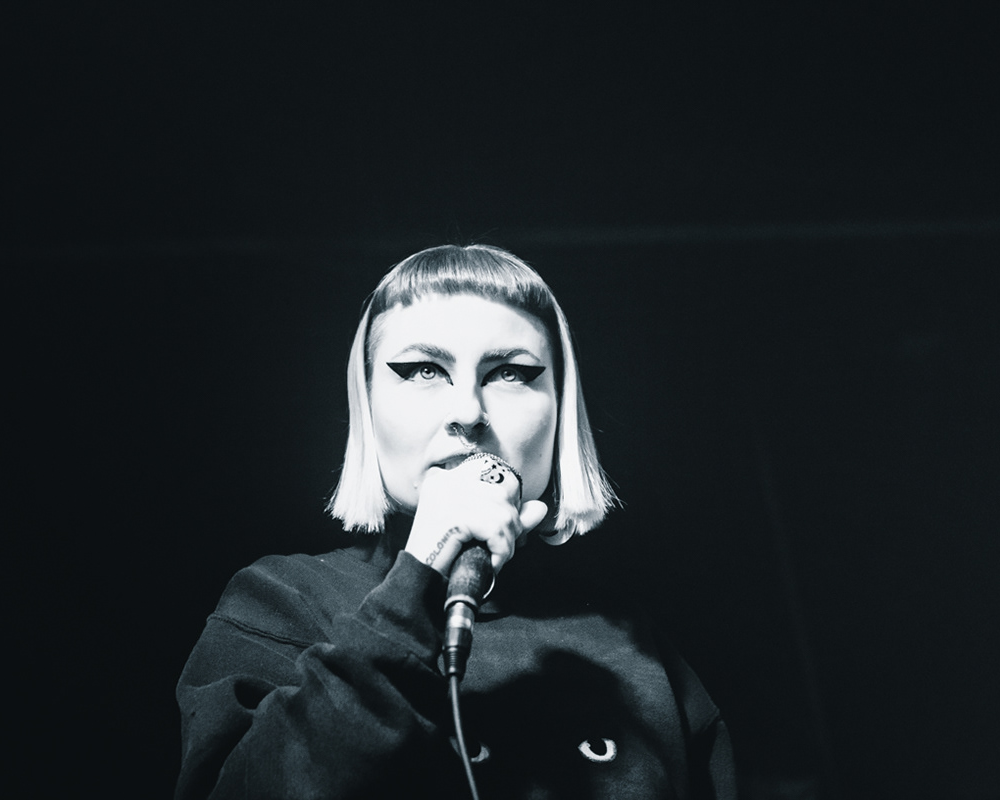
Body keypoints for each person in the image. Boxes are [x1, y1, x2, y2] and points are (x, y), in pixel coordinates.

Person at [175, 244, 737, 799]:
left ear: (561, 409)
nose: (468, 413)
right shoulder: (279, 601)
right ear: (366, 403)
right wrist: (420, 572)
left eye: (510, 373)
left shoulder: (637, 645)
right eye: (424, 370)